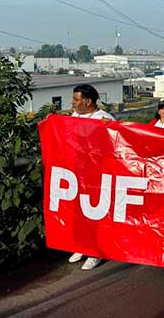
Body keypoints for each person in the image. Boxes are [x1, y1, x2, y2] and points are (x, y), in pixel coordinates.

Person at [68, 84, 114, 271]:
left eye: (76, 99)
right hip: (77, 173)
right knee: (78, 211)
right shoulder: (74, 117)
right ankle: (82, 246)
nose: (73, 103)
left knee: (96, 213)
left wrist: (110, 128)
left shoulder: (103, 119)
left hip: (97, 174)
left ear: (88, 101)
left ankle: (97, 252)